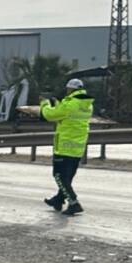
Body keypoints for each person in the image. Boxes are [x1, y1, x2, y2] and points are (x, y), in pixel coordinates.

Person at [39, 78, 94, 216]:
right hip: (77, 146)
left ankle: (74, 203)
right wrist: (58, 104)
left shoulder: (70, 104)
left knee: (58, 176)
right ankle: (58, 200)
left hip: (64, 145)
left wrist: (45, 103)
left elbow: (50, 115)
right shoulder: (87, 104)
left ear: (70, 89)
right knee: (67, 177)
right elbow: (66, 115)